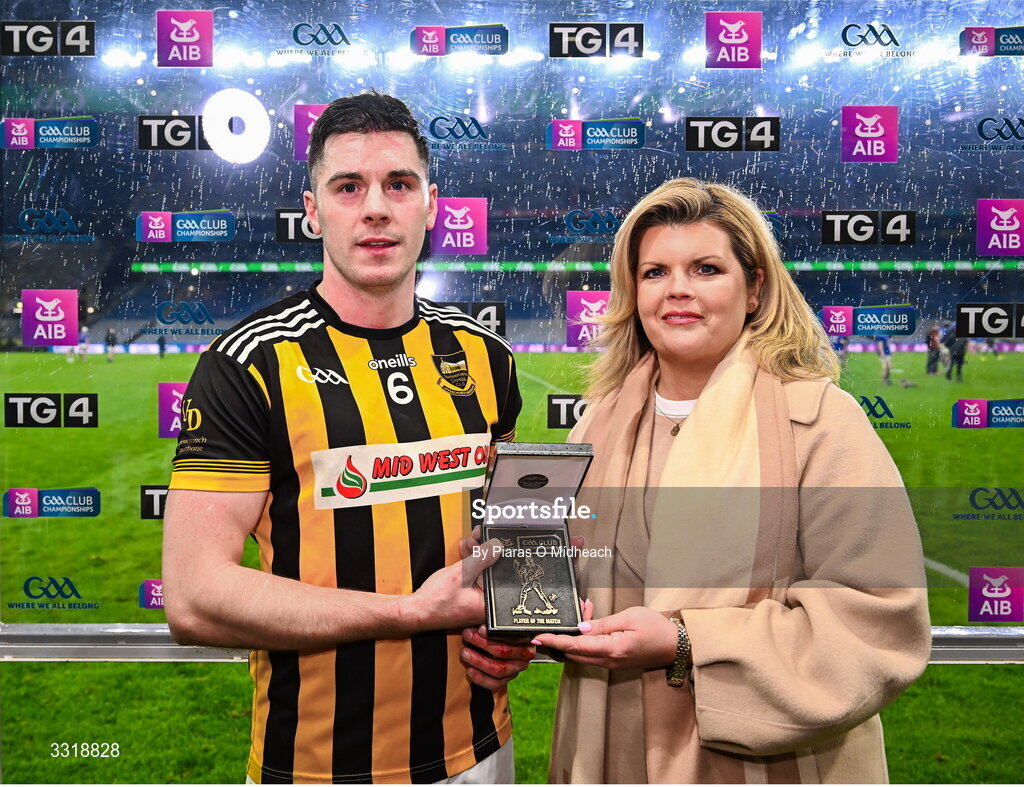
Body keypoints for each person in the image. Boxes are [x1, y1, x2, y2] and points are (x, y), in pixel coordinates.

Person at [162, 91, 529, 784]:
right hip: (315, 766)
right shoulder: (249, 363)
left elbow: (501, 540)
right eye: (348, 186)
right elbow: (192, 594)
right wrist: (410, 613)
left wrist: (512, 628)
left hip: (482, 753)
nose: (376, 207)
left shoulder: (485, 354)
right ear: (312, 211)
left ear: (431, 203)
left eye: (399, 183)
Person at [525, 178, 931, 783]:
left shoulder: (818, 421)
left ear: (754, 290)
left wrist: (685, 643)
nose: (677, 290)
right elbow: (575, 572)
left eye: (706, 268)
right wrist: (523, 583)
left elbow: (877, 620)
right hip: (608, 747)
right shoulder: (596, 423)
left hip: (762, 766)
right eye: (655, 272)